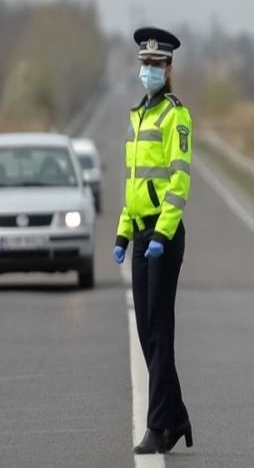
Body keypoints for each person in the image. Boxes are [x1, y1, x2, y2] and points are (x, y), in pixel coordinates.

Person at [113, 26, 194, 455]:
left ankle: (158, 425)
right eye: (144, 64)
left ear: (168, 68)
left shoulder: (174, 116)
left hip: (163, 236)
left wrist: (162, 232)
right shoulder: (138, 116)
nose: (149, 71)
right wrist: (124, 233)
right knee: (147, 331)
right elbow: (133, 184)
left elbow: (177, 182)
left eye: (156, 65)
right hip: (141, 233)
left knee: (159, 331)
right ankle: (176, 416)